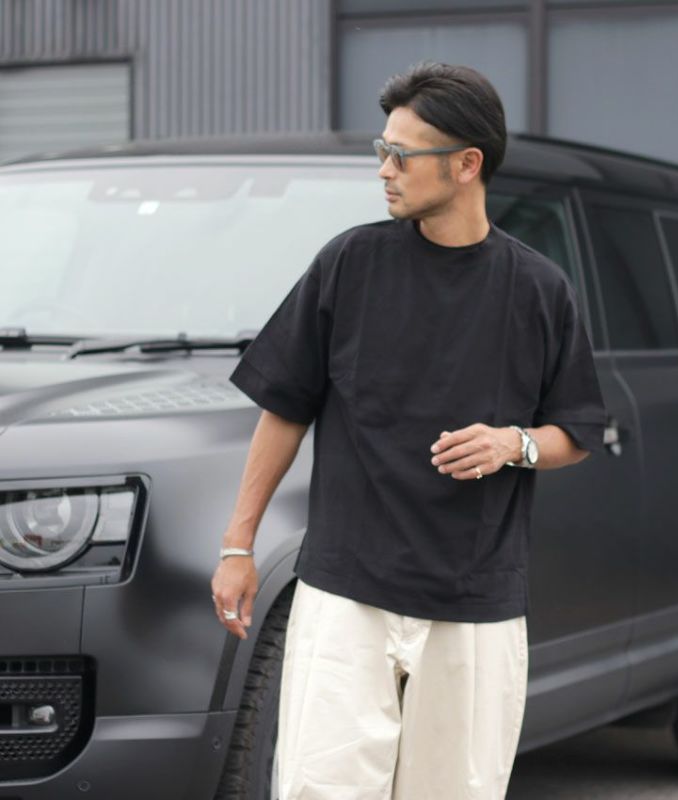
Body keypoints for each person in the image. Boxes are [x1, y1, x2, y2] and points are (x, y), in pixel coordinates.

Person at [211, 61, 608, 800]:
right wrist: (239, 546)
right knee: (320, 790)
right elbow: (285, 406)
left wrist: (513, 444)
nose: (384, 170)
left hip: (475, 602)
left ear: (467, 164)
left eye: (402, 155)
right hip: (345, 593)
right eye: (381, 150)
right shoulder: (349, 264)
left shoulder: (539, 289)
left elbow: (577, 430)